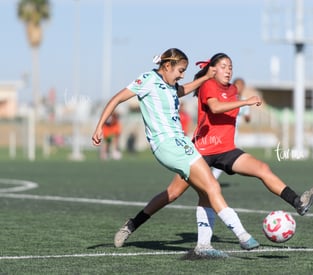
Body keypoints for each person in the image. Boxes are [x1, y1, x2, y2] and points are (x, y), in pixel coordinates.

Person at [112, 52, 313, 257]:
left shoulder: (233, 90)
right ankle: (131, 225)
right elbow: (216, 107)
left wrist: (244, 104)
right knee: (173, 194)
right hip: (201, 150)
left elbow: (238, 113)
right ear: (213, 68)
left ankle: (298, 202)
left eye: (231, 66)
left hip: (226, 149)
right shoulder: (208, 85)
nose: (228, 70)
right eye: (223, 66)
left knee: (262, 169)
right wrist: (245, 102)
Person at [92, 48, 259, 256]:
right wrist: (99, 126)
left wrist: (206, 76)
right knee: (211, 185)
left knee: (185, 192)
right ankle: (242, 236)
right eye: (180, 70)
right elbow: (116, 99)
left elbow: (184, 89)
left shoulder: (171, 86)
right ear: (167, 66)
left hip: (182, 143)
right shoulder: (148, 79)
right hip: (166, 145)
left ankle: (140, 227)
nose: (182, 75)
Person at [211, 77, 249, 179]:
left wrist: (248, 116)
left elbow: (247, 118)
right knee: (221, 153)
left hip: (234, 131)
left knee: (224, 153)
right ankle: (210, 176)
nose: (239, 88)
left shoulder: (245, 101)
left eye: (242, 86)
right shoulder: (227, 97)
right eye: (237, 85)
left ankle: (212, 177)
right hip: (223, 129)